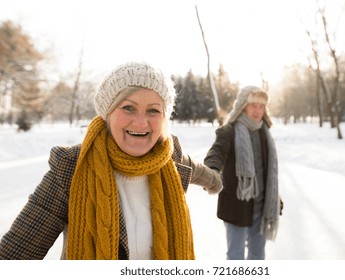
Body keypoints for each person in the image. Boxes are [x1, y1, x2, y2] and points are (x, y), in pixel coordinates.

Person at [0, 61, 223, 260]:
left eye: (153, 111)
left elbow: (202, 173)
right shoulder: (71, 167)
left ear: (164, 118)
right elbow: (14, 255)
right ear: (107, 113)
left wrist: (217, 182)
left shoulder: (170, 156)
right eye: (128, 108)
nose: (141, 122)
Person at [204, 85, 282, 260]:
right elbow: (216, 153)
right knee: (236, 256)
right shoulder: (229, 131)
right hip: (236, 207)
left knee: (257, 256)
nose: (257, 110)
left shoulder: (264, 133)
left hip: (261, 208)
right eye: (253, 105)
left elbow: (268, 172)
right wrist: (211, 171)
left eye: (261, 106)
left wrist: (275, 199)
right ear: (242, 106)